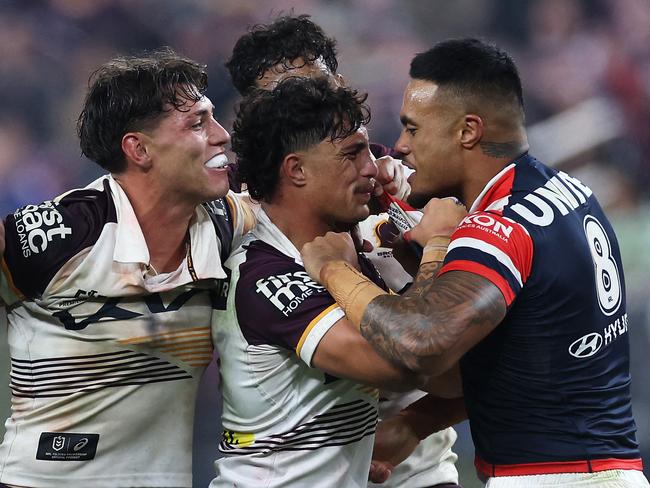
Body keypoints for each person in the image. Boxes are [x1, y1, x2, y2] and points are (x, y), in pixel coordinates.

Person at [301, 38, 650, 488]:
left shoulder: (497, 226)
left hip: (553, 477)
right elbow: (513, 362)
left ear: (468, 131)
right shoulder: (570, 192)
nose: (401, 146)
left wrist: (334, 268)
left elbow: (422, 344)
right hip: (605, 469)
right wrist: (417, 422)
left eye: (413, 128)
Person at [225, 16, 463, 488]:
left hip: (417, 471)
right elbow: (416, 357)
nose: (370, 165)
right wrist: (431, 250)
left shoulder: (392, 205)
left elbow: (475, 365)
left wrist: (418, 423)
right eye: (285, 99)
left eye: (318, 91)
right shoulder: (248, 245)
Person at [0, 48, 254, 488]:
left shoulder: (229, 222)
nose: (222, 135)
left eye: (213, 118)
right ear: (138, 148)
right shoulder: (56, 238)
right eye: (197, 123)